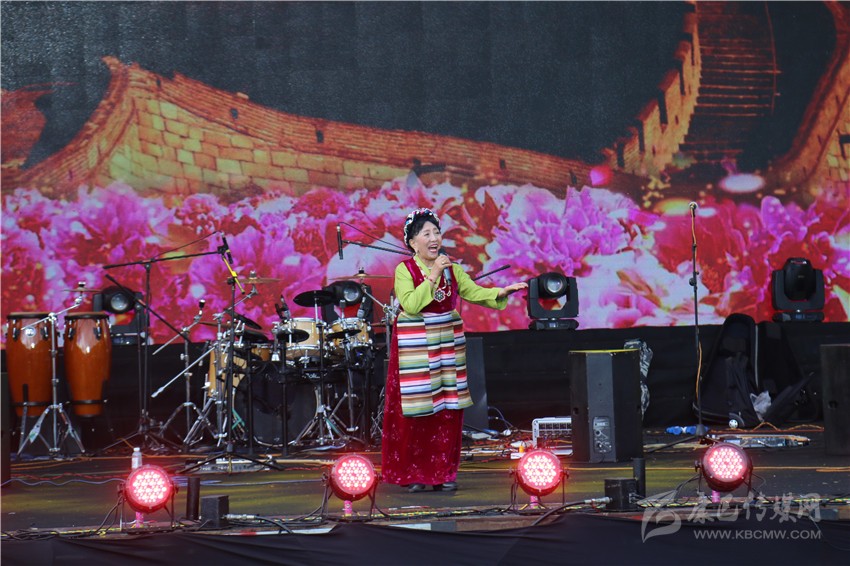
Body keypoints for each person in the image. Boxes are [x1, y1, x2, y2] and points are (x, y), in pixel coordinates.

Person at [381, 208, 527, 492]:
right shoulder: (404, 270)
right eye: (426, 234)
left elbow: (472, 291)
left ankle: (443, 473)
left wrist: (500, 292)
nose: (434, 238)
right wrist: (434, 274)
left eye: (436, 232)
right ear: (413, 242)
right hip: (416, 348)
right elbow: (410, 304)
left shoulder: (452, 268)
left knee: (447, 409)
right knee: (418, 411)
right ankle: (416, 474)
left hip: (446, 345)